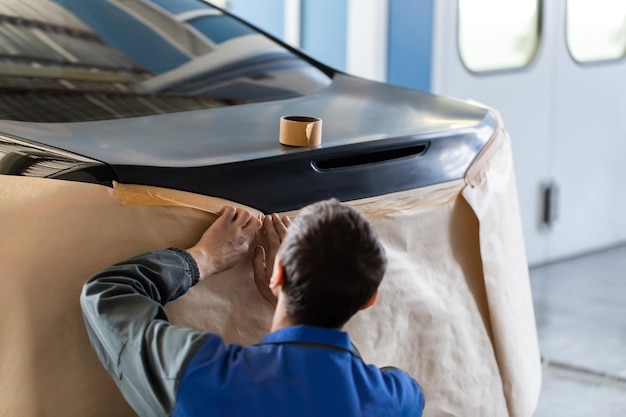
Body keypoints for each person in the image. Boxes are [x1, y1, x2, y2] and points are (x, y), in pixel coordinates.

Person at [80, 198, 425, 417]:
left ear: (277, 274)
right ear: (369, 300)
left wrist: (202, 258)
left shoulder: (204, 377)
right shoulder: (399, 397)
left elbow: (108, 296)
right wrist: (302, 306)